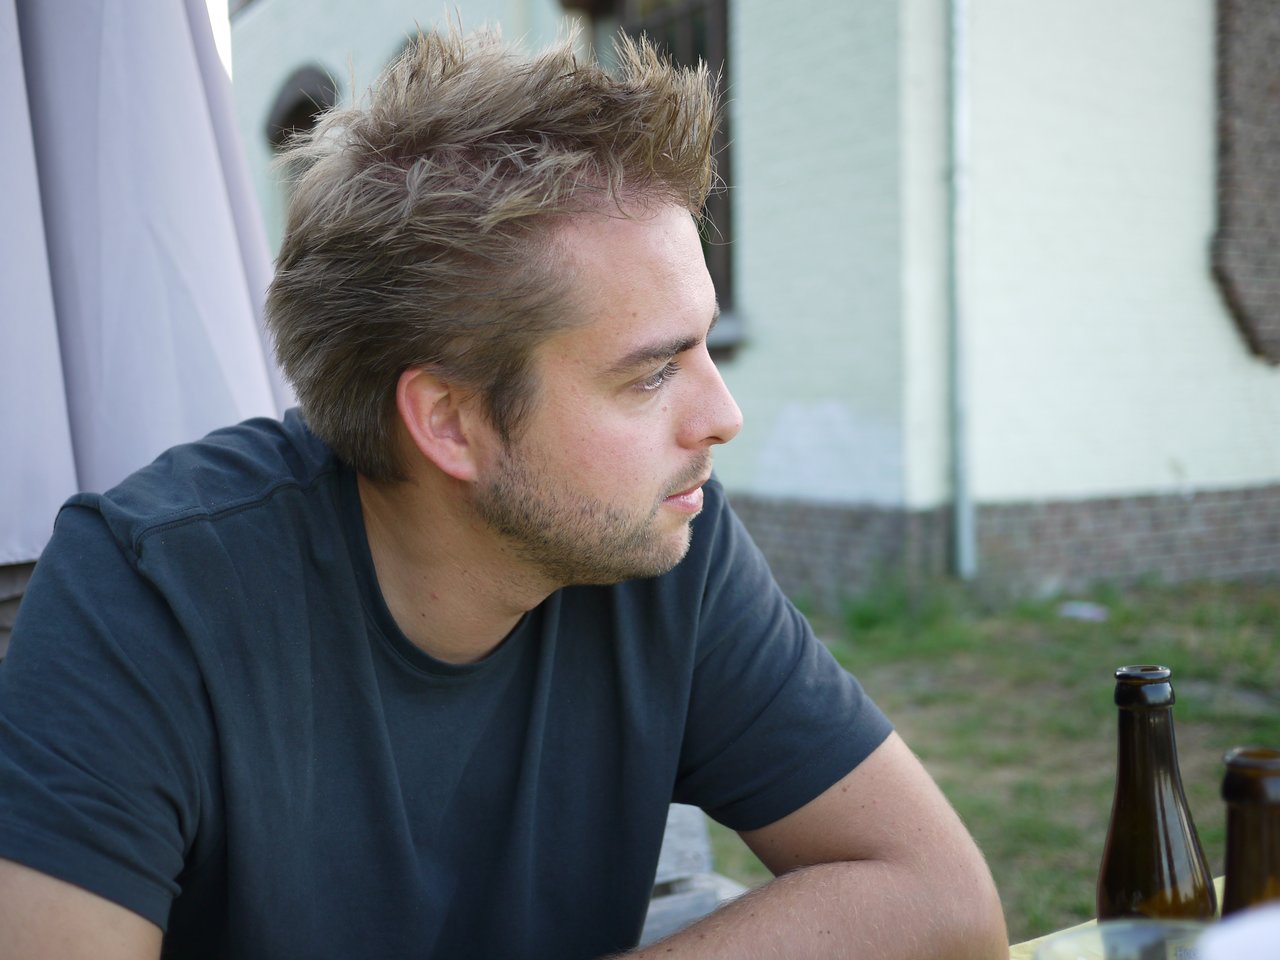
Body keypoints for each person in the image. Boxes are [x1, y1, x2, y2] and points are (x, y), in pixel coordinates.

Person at [0, 27, 1007, 960]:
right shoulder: (149, 596)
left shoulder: (661, 543)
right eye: (650, 373)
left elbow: (939, 900)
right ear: (448, 421)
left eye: (706, 343)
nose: (720, 415)